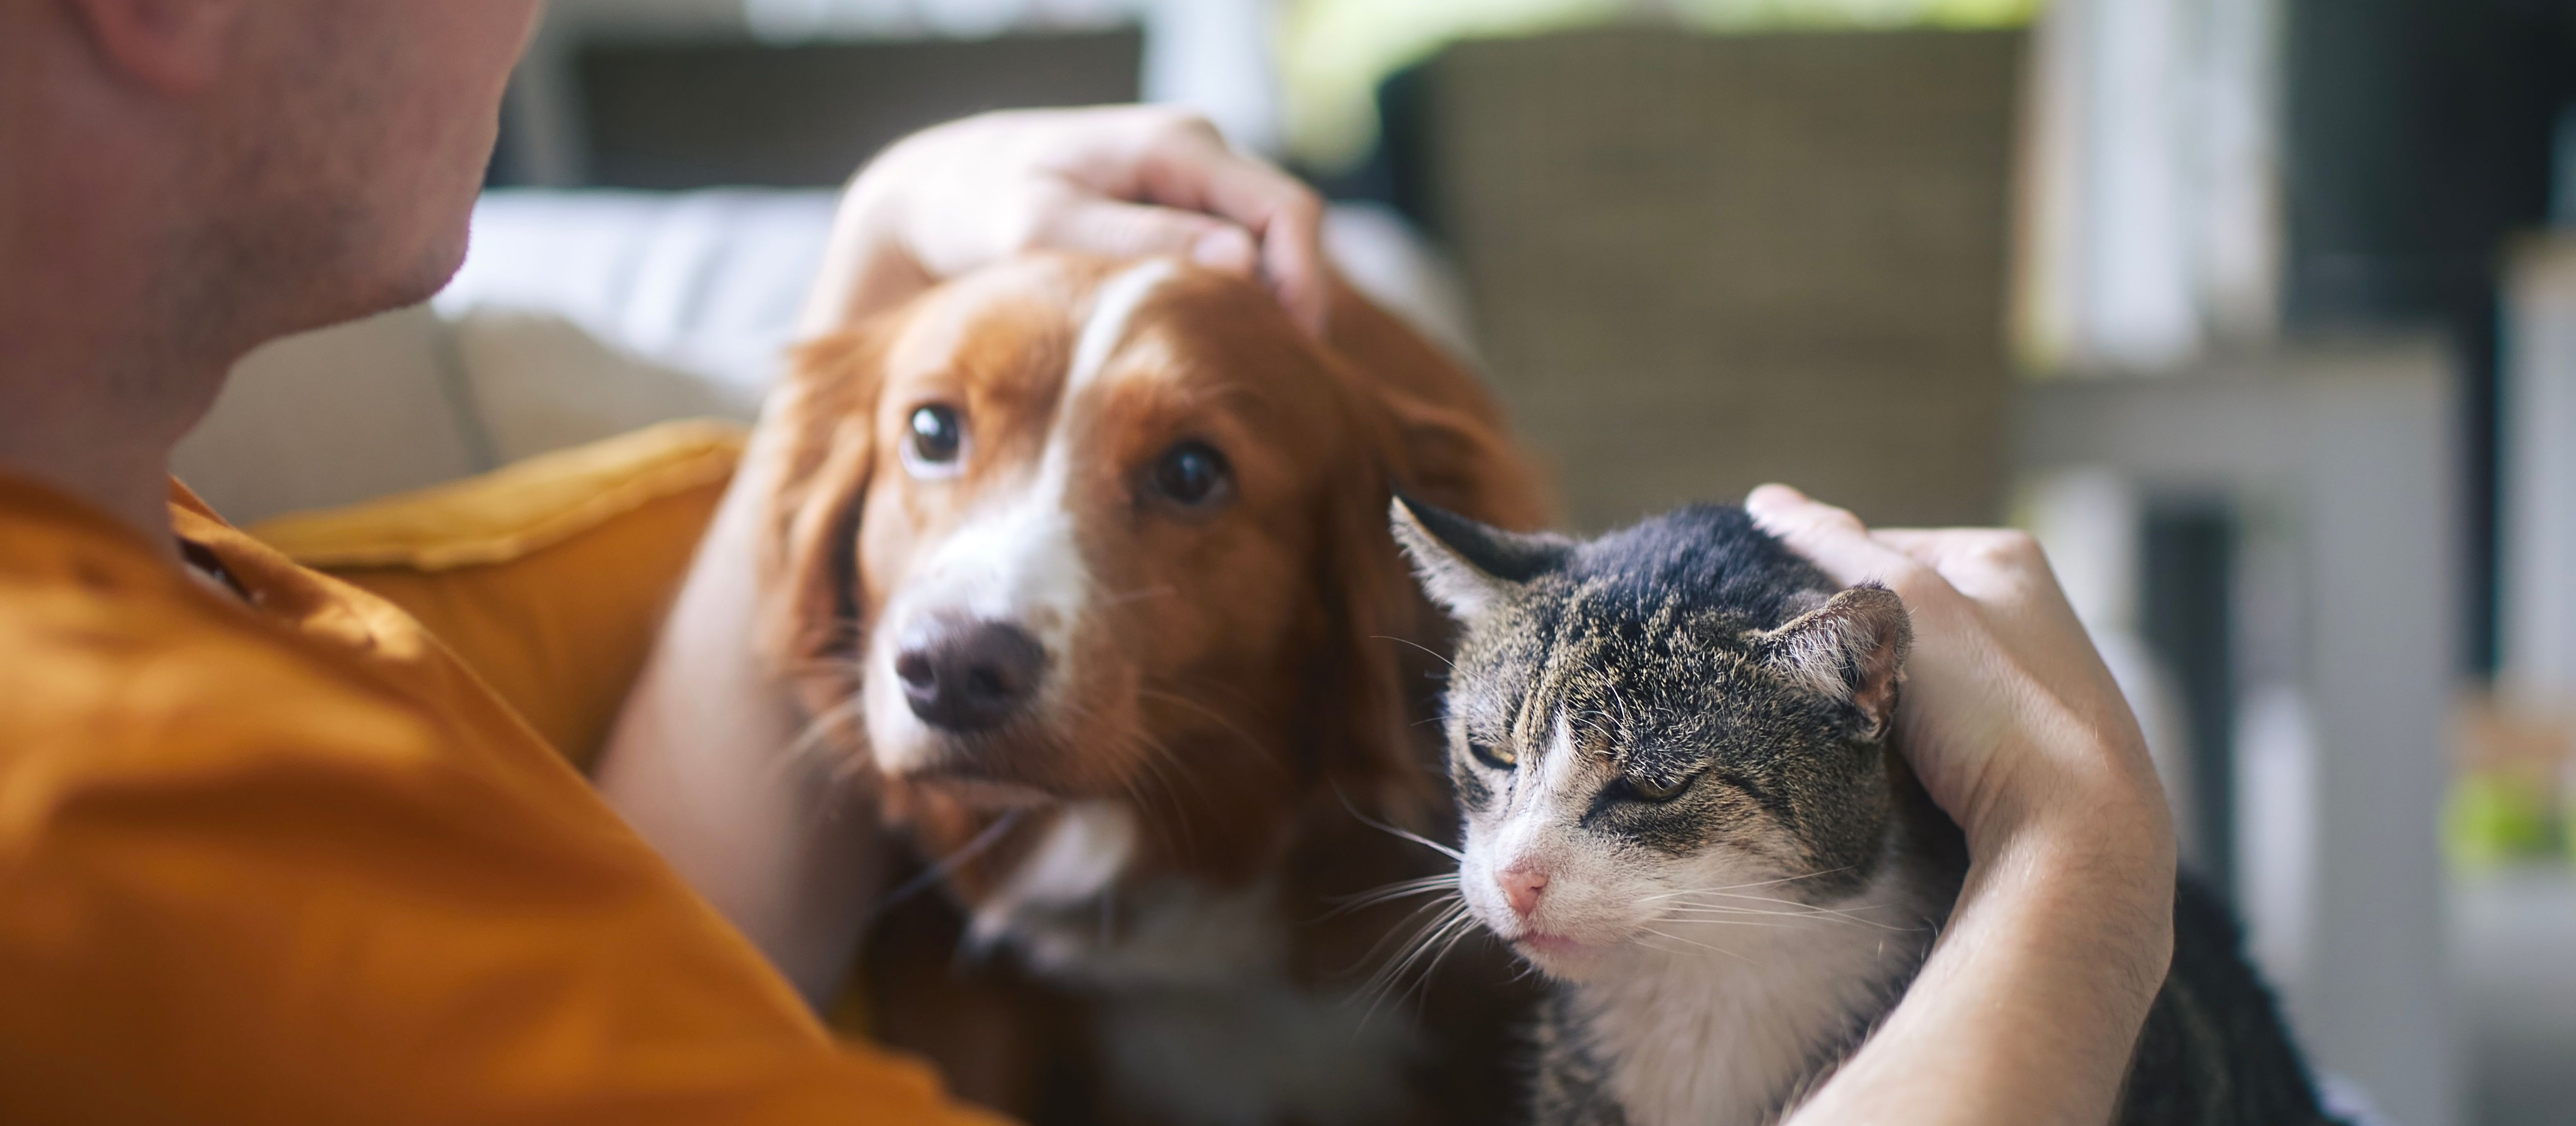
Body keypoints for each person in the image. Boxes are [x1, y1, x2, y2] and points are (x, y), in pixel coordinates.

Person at [0, 1, 2177, 1123]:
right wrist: (2077, 872)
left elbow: (660, 962)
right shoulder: (115, 803)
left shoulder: (151, 567)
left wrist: (888, 266)